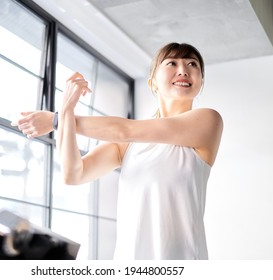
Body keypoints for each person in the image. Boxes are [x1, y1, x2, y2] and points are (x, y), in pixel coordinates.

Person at [14, 42, 223, 260]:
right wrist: (65, 110)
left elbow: (124, 130)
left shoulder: (208, 121)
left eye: (192, 64)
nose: (183, 70)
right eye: (172, 63)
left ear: (200, 81)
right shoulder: (128, 145)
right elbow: (73, 174)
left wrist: (56, 119)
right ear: (153, 83)